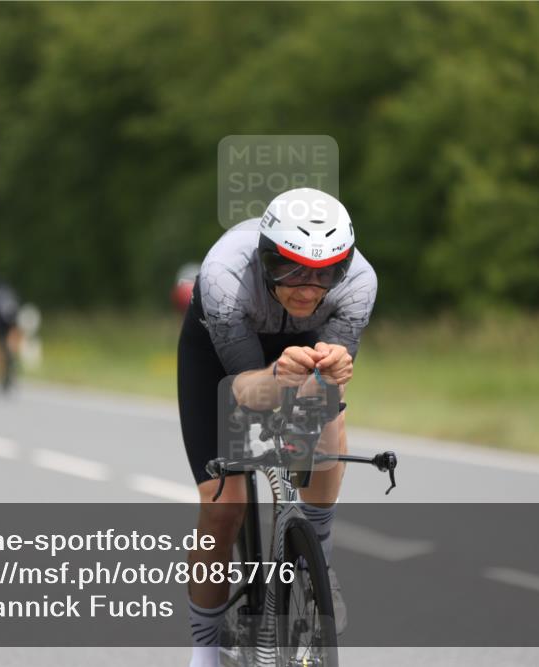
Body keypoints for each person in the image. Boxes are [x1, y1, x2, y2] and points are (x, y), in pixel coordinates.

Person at [177, 188, 377, 667]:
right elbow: (243, 395)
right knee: (223, 511)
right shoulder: (225, 275)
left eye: (326, 271)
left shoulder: (360, 283)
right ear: (265, 258)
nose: (308, 287)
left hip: (303, 346)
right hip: (222, 360)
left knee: (326, 405)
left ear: (344, 265)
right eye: (290, 269)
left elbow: (325, 391)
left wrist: (326, 376)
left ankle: (319, 554)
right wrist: (275, 377)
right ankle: (202, 653)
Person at [0, 276, 21, 392]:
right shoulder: (11, 294)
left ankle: (1, 373)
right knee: (10, 346)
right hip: (10, 320)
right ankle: (11, 368)